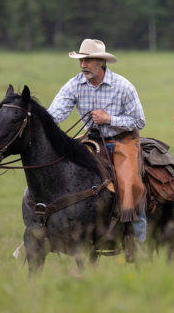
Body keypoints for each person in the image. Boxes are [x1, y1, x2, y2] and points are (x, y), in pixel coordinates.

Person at [48, 39, 147, 247]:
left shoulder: (123, 86)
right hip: (90, 141)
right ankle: (46, 227)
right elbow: (55, 114)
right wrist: (39, 121)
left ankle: (139, 241)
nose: (83, 65)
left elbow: (139, 121)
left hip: (123, 141)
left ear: (101, 62)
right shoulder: (74, 84)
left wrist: (110, 119)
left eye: (88, 60)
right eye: (81, 60)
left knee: (130, 184)